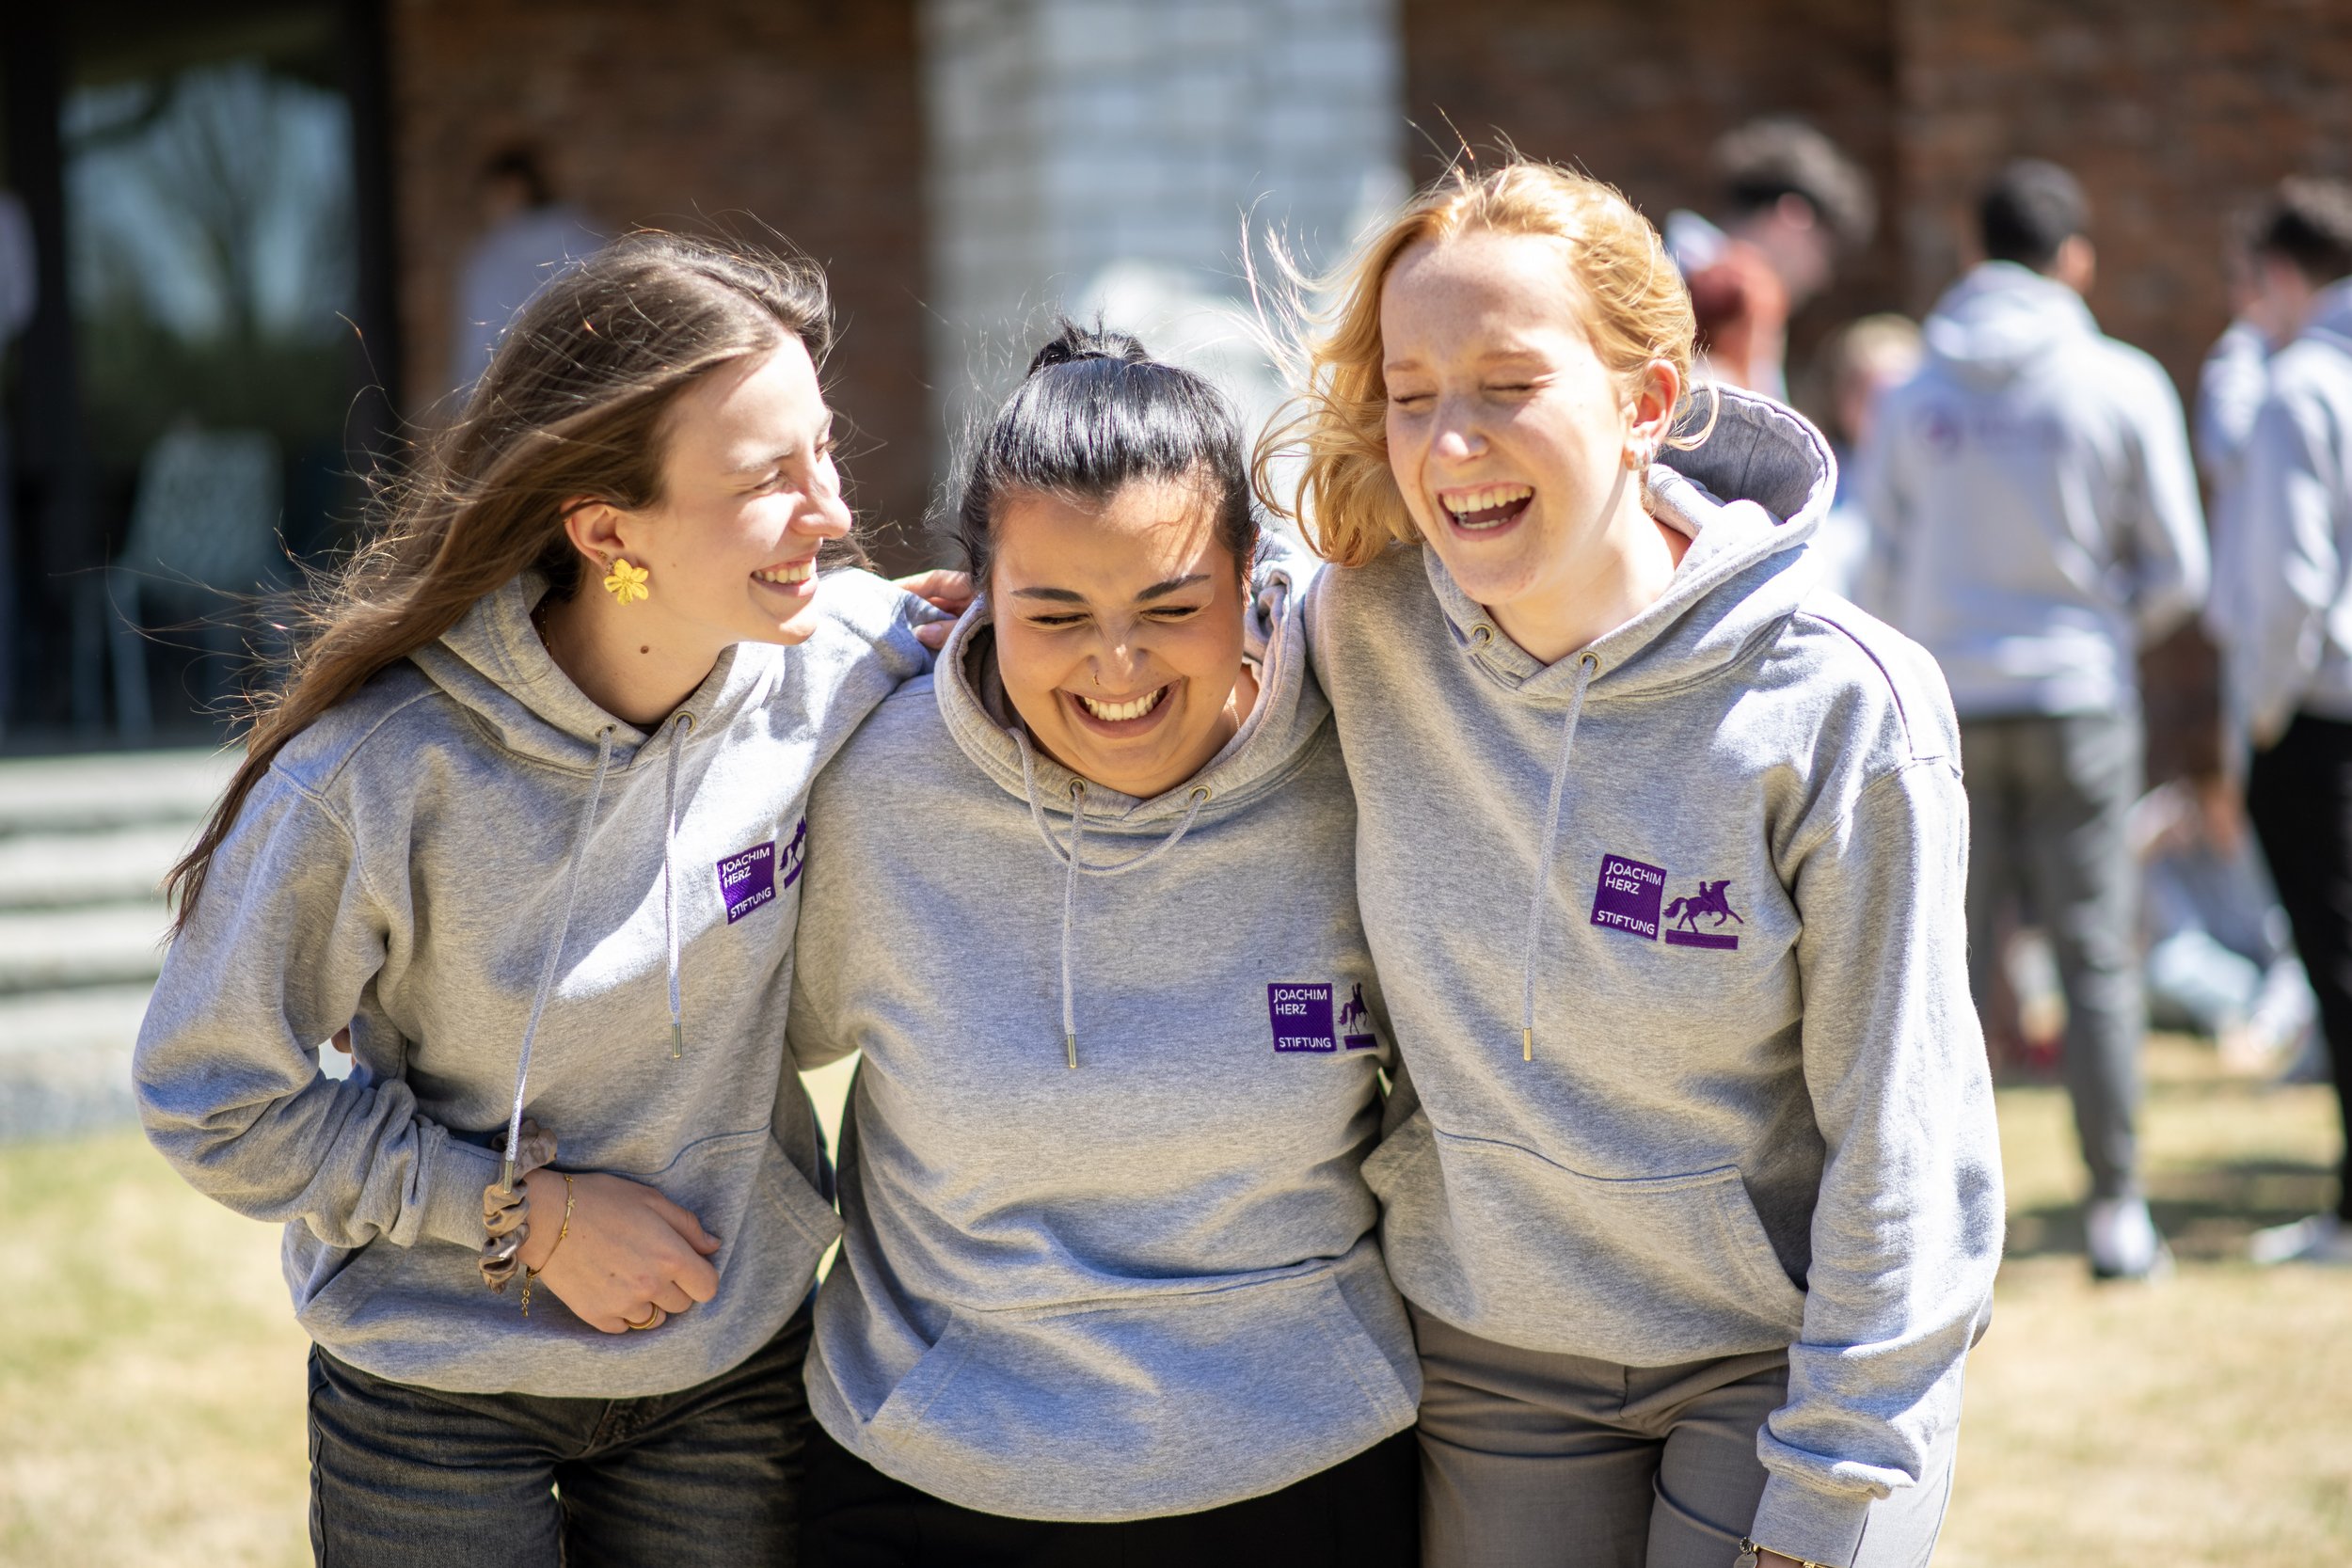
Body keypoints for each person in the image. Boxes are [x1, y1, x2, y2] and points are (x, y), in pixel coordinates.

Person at [134, 232, 955, 1566]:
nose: (837, 513)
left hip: (728, 1364)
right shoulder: (374, 776)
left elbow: (1063, 643)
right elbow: (210, 1096)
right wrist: (525, 1215)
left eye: (824, 451)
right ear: (605, 531)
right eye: (766, 479)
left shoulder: (837, 661)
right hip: (434, 1394)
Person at [1265, 159, 2001, 1568]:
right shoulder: (1361, 629)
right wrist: (923, 642)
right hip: (1496, 1346)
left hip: (1773, 1359)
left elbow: (1906, 1143)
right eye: (1412, 394)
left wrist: (1837, 1491)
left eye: (1507, 385)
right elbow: (1140, 645)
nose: (1448, 444)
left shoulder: (1844, 707)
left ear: (1647, 400)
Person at [786, 325, 1419, 1565]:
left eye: (1171, 605)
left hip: (1311, 1466)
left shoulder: (1369, 761)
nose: (1116, 665)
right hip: (930, 1475)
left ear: (1253, 575)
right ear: (973, 589)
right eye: (1057, 610)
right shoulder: (876, 786)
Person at [1865, 157, 2207, 1282]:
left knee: (1938, 969)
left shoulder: (1916, 390)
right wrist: (2097, 624)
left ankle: (1932, 1218)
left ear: (1972, 252)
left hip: (1943, 707)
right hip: (2074, 698)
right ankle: (2116, 1206)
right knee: (2094, 957)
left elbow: (1876, 555)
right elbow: (2177, 569)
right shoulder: (2118, 380)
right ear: (2074, 260)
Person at [2204, 175, 2352, 1268]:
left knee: (2337, 962)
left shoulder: (2304, 384)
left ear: (2284, 274)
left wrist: (2256, 717)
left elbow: (2289, 579)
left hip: (2319, 712)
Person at [1665, 118, 1876, 401]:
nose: (1820, 279)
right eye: (1822, 255)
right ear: (1793, 220)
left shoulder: (1673, 268)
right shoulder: (1664, 283)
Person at [450, 146, 601, 391]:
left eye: (495, 195)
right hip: (581, 385)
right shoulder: (583, 238)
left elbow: (480, 339)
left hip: (514, 390)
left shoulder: (493, 257)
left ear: (515, 188)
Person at [1810, 312, 1920, 606]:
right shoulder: (1816, 482)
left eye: (1890, 396)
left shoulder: (1934, 486)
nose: (1877, 409)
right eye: (1862, 392)